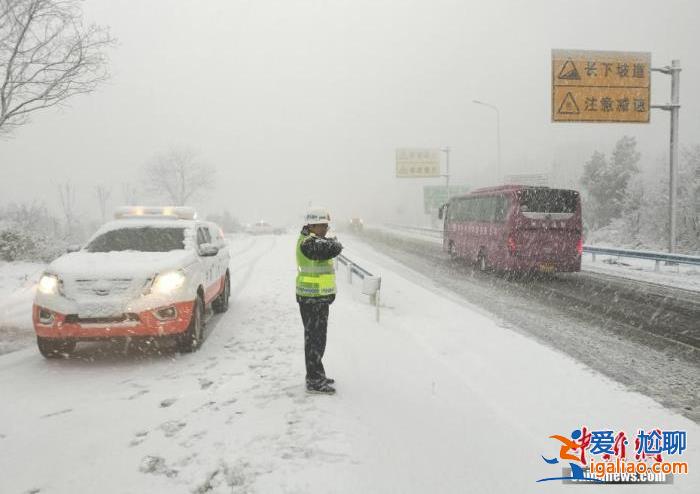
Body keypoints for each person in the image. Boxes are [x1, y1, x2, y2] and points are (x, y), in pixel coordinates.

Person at [296, 207, 343, 394]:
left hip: (318, 298)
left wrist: (331, 241)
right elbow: (333, 248)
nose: (325, 229)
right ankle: (314, 380)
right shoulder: (308, 243)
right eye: (322, 226)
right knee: (314, 340)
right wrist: (334, 242)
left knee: (318, 340)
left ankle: (317, 375)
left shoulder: (314, 239)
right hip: (311, 298)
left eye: (326, 226)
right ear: (311, 225)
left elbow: (330, 246)